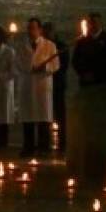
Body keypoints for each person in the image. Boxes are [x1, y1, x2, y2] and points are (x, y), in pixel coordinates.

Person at [15, 17, 60, 157]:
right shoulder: (21, 46)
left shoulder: (50, 45)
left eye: (34, 28)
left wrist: (44, 67)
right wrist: (30, 68)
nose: (31, 31)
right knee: (27, 118)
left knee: (43, 118)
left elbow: (56, 65)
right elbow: (18, 64)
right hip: (27, 84)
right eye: (29, 28)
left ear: (40, 30)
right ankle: (28, 147)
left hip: (42, 85)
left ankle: (44, 148)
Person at [72, 12, 106, 87]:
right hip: (85, 80)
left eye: (95, 22)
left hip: (102, 80)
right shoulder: (82, 40)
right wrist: (83, 73)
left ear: (100, 23)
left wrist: (95, 74)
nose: (93, 25)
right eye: (91, 22)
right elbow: (76, 59)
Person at [43, 21, 69, 153]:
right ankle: (45, 144)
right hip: (44, 85)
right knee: (44, 115)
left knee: (60, 116)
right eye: (45, 31)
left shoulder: (62, 46)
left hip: (57, 84)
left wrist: (49, 69)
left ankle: (62, 144)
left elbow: (63, 66)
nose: (47, 34)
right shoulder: (41, 46)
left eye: (49, 31)